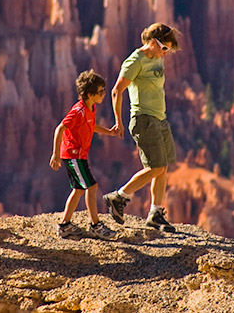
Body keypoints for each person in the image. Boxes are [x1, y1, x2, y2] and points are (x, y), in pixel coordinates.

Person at [102, 23, 179, 232]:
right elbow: (117, 91)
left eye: (169, 50)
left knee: (162, 167)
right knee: (154, 167)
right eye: (165, 48)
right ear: (154, 42)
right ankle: (118, 197)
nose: (166, 54)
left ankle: (155, 213)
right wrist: (118, 121)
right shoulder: (135, 61)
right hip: (143, 120)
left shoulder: (156, 58)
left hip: (159, 119)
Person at [49, 69, 120, 239]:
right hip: (73, 155)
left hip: (79, 155)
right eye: (100, 92)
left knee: (78, 189)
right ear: (90, 94)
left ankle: (64, 225)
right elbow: (60, 128)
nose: (104, 94)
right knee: (92, 187)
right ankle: (95, 226)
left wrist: (108, 133)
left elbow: (91, 125)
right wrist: (55, 154)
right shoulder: (78, 111)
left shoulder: (91, 108)